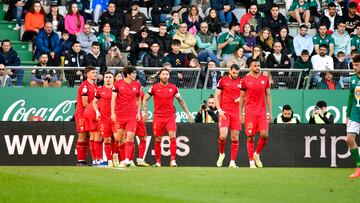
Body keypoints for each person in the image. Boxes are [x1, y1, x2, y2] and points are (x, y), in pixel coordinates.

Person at [142, 68, 193, 167]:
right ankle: (158, 162)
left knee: (172, 136)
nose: (165, 76)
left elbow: (181, 101)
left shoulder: (173, 88)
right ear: (160, 76)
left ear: (169, 76)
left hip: (170, 117)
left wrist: (188, 113)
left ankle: (173, 161)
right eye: (163, 74)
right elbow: (145, 98)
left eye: (167, 74)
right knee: (157, 139)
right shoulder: (154, 87)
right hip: (158, 117)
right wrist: (145, 112)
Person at [239, 58, 273, 168]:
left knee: (264, 135)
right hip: (250, 112)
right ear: (250, 67)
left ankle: (256, 154)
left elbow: (268, 95)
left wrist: (270, 113)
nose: (257, 67)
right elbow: (242, 98)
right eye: (254, 65)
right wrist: (240, 113)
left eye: (258, 65)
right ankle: (251, 161)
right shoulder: (245, 80)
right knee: (250, 137)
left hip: (262, 112)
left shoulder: (265, 79)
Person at [111, 67, 141, 167]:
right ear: (128, 74)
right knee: (120, 139)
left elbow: (138, 99)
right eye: (133, 73)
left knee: (130, 138)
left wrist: (138, 112)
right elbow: (113, 99)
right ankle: (121, 158)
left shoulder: (137, 85)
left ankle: (127, 160)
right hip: (120, 115)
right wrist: (113, 113)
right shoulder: (118, 84)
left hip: (132, 116)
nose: (135, 75)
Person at [214, 64, 242, 168]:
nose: (235, 75)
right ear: (229, 71)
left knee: (235, 138)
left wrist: (241, 99)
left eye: (237, 73)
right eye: (234, 72)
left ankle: (232, 162)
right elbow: (216, 96)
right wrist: (219, 110)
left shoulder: (241, 82)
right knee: (223, 135)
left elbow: (247, 95)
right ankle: (221, 154)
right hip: (224, 112)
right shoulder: (222, 81)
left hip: (236, 113)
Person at [75, 66, 98, 166]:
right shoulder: (84, 86)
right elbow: (85, 103)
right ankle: (80, 161)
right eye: (93, 72)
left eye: (95, 72)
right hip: (82, 114)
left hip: (91, 114)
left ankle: (93, 159)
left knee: (90, 136)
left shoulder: (96, 86)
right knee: (82, 136)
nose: (95, 74)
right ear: (87, 74)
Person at [92, 71, 116, 167]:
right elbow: (94, 102)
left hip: (115, 118)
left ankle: (116, 157)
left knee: (117, 139)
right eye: (106, 77)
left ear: (113, 78)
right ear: (104, 79)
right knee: (106, 140)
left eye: (110, 77)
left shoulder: (116, 89)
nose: (108, 79)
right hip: (104, 119)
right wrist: (97, 112)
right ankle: (110, 160)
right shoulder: (100, 90)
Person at [345, 54, 360, 178]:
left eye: (357, 65)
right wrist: (348, 115)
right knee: (349, 139)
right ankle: (359, 167)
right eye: (353, 65)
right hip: (355, 114)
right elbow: (350, 98)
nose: (354, 67)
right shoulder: (353, 79)